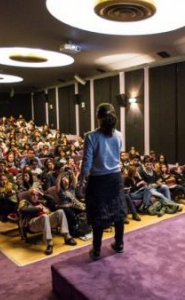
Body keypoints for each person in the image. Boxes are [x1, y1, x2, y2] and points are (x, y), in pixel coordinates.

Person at [80, 103, 126, 261]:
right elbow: (118, 156)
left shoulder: (91, 136)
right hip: (115, 178)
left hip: (98, 180)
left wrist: (81, 183)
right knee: (118, 212)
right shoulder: (119, 135)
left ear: (98, 117)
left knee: (98, 215)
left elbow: (86, 163)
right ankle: (119, 244)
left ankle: (97, 250)